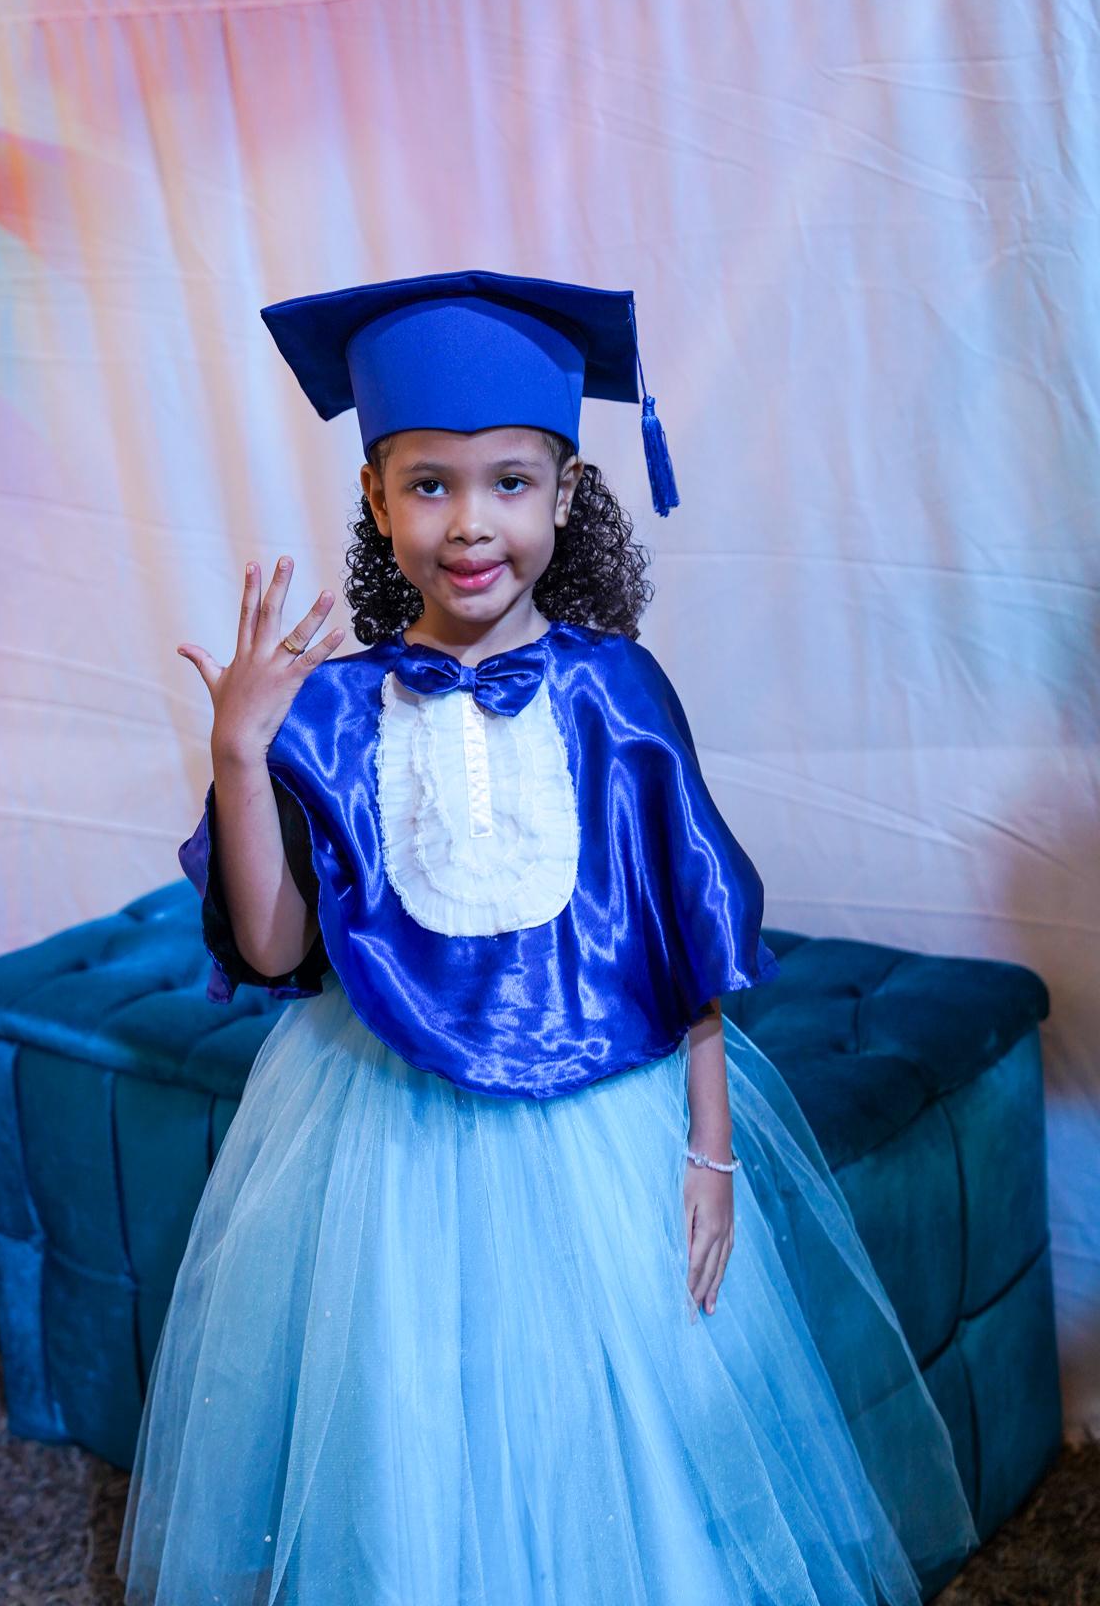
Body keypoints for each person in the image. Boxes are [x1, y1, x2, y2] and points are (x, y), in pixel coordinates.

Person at [116, 270, 978, 1606]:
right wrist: (239, 755)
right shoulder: (329, 714)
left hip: (601, 1125)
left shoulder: (616, 692)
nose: (472, 523)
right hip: (385, 1130)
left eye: (510, 483)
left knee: (609, 1424)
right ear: (376, 500)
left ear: (566, 495)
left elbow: (683, 940)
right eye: (430, 485)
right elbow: (279, 955)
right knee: (416, 1420)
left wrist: (710, 1147)